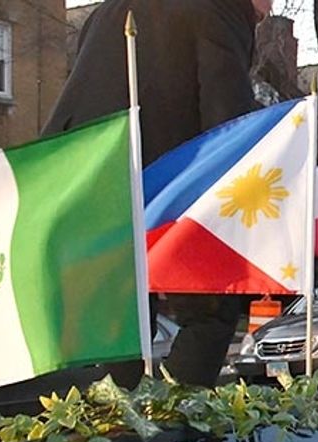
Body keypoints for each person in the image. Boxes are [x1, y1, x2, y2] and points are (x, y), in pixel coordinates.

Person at [43, 0, 274, 388]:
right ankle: (175, 415)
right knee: (212, 308)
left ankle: (117, 417)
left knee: (121, 319)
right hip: (168, 180)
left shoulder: (106, 11)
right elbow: (227, 119)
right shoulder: (220, 9)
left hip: (86, 175)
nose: (269, 9)